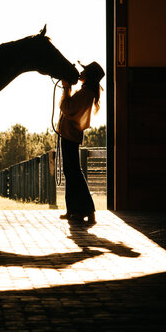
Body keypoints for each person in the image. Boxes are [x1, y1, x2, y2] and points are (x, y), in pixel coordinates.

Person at [57, 61, 104, 224]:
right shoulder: (86, 92)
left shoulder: (85, 93)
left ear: (89, 76)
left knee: (73, 172)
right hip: (70, 135)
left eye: (84, 72)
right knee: (70, 172)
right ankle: (73, 210)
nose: (81, 73)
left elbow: (67, 108)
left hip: (70, 135)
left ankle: (87, 210)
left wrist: (66, 88)